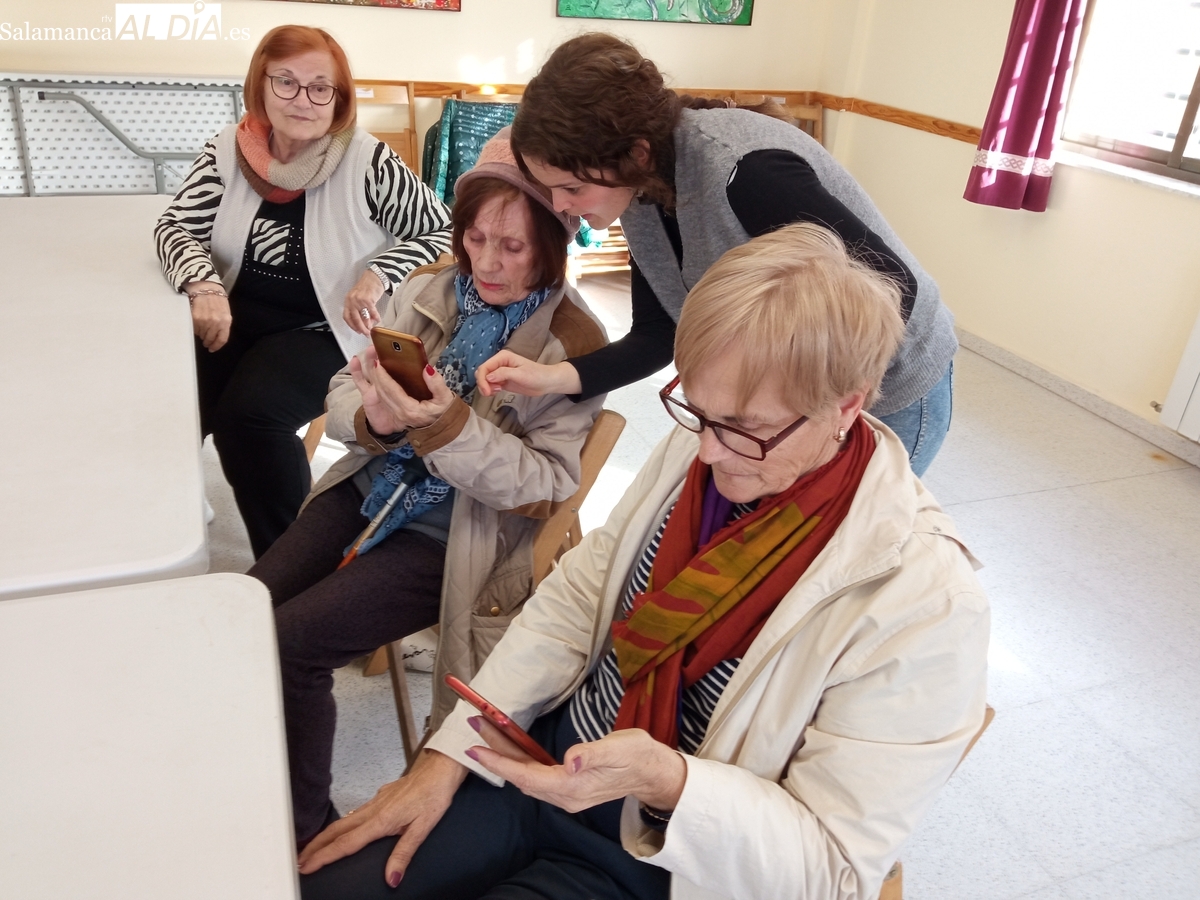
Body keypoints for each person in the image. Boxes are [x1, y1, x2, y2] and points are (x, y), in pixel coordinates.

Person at [295, 223, 990, 900]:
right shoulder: (704, 450)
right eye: (699, 412)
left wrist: (670, 782)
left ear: (846, 406)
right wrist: (449, 753)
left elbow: (832, 870)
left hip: (668, 859)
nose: (708, 451)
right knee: (327, 886)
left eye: (744, 428)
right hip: (543, 765)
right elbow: (577, 599)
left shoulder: (924, 599)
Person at [247, 128, 609, 848]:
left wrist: (448, 428)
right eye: (475, 238)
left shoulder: (575, 343)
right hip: (370, 486)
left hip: (458, 536)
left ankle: (303, 833)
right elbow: (344, 386)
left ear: (554, 242)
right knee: (244, 608)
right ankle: (258, 775)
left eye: (513, 246)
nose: (488, 262)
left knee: (289, 644)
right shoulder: (432, 285)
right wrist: (372, 418)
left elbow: (544, 487)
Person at [477, 32, 957, 476]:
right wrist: (551, 378)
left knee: (842, 530)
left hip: (887, 381)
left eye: (571, 188)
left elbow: (893, 294)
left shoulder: (744, 172)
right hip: (792, 402)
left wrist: (794, 410)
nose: (562, 206)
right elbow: (660, 333)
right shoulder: (639, 190)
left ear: (636, 153)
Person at [155, 25, 452, 558]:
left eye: (320, 87)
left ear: (338, 98)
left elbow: (442, 229)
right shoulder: (227, 150)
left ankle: (291, 564)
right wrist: (203, 283)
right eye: (286, 81)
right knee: (165, 395)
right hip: (236, 316)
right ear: (261, 84)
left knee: (248, 420)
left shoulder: (367, 161)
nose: (302, 100)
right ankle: (164, 526)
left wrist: (380, 272)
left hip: (328, 329)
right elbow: (175, 226)